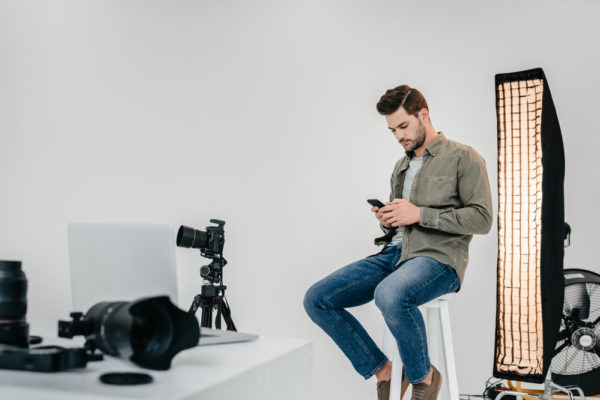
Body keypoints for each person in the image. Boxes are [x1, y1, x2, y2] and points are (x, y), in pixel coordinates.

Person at [303, 85, 493, 400]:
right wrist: (390, 218)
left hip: (439, 260)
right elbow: (405, 219)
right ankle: (386, 371)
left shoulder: (464, 157)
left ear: (424, 114)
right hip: (396, 254)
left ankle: (424, 377)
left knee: (389, 294)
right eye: (392, 130)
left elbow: (482, 219)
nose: (398, 136)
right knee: (317, 298)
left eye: (403, 126)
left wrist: (419, 213)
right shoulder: (401, 166)